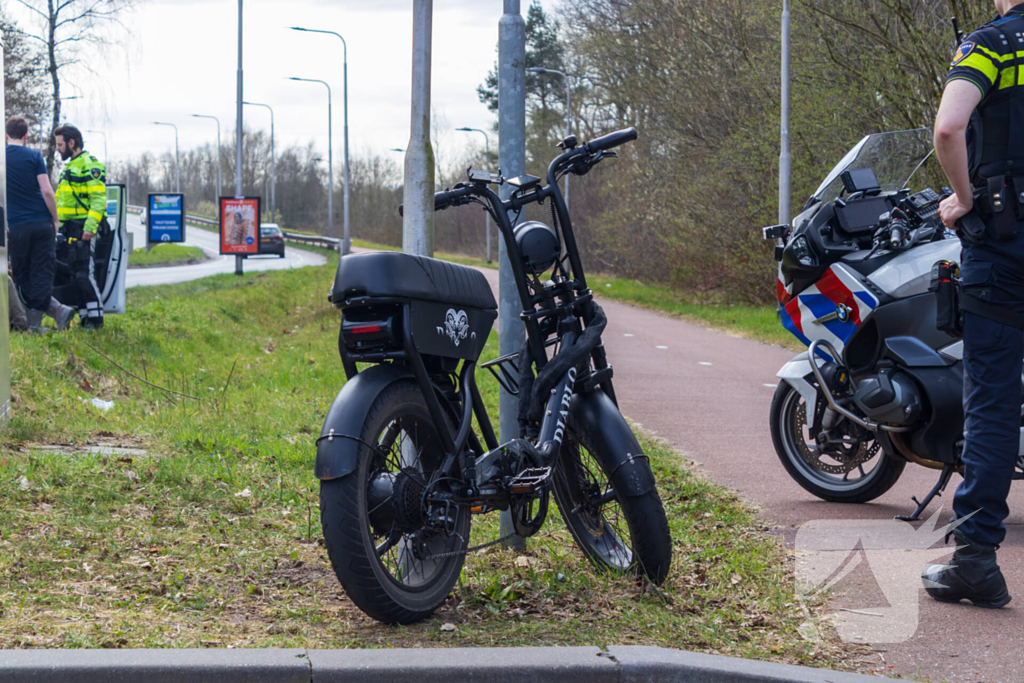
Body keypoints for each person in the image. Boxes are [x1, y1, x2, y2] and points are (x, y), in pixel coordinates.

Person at [922, 0, 1024, 609]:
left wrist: (963, 198)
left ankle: (976, 561)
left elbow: (948, 128)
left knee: (992, 401)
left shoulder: (993, 43)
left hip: (1004, 247)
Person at [4, 115, 74, 332]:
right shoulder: (35, 156)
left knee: (22, 275)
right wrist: (55, 219)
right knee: (41, 272)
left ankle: (37, 324)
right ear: (26, 136)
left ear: (5, 135)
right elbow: (46, 190)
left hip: (17, 227)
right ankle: (55, 310)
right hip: (41, 223)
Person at [53, 124, 106, 329]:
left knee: (84, 275)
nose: (57, 149)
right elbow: (61, 202)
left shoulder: (89, 165)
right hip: (69, 231)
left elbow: (98, 200)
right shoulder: (70, 167)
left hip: (84, 229)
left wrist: (90, 227)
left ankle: (96, 320)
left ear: (71, 143)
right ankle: (85, 319)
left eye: (60, 144)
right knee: (75, 276)